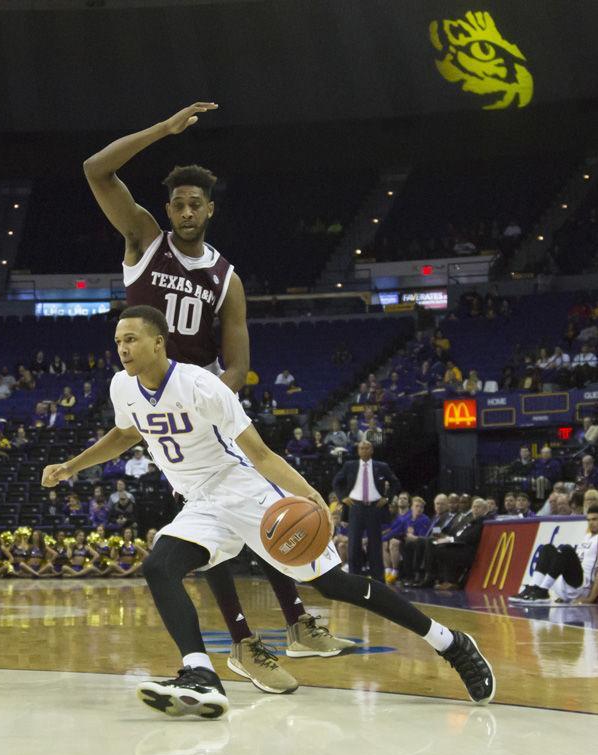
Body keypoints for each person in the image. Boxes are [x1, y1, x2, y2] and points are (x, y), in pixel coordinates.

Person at [42, 306, 494, 717]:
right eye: (119, 341)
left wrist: (310, 493)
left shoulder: (202, 386)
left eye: (132, 339)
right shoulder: (123, 387)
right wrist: (72, 466)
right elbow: (125, 435)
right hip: (201, 502)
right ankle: (199, 672)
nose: (123, 348)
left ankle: (450, 642)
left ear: (159, 342)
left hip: (244, 490)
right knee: (160, 565)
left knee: (334, 585)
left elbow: (259, 454)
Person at [83, 104, 351, 690]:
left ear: (209, 210)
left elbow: (240, 360)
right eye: (176, 202)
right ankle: (248, 641)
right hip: (160, 407)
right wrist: (161, 130)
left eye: (194, 203)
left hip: (206, 401)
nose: (183, 211)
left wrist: (212, 401)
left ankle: (297, 623)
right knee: (211, 525)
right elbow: (96, 171)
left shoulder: (226, 276)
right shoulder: (144, 239)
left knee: (263, 508)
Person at [332, 440, 400, 581]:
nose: (364, 450)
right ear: (358, 451)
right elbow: (336, 481)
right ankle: (354, 580)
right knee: (354, 546)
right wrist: (343, 497)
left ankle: (378, 580)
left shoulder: (381, 466)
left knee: (375, 546)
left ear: (372, 450)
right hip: (355, 508)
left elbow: (395, 482)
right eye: (361, 448)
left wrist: (387, 498)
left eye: (367, 448)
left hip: (375, 508)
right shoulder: (349, 466)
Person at [510, 505, 598, 604]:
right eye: (589, 520)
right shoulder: (587, 536)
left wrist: (590, 599)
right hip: (566, 584)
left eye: (594, 519)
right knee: (547, 549)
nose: (591, 523)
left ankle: (543, 590)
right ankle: (533, 587)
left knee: (567, 550)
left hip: (582, 586)